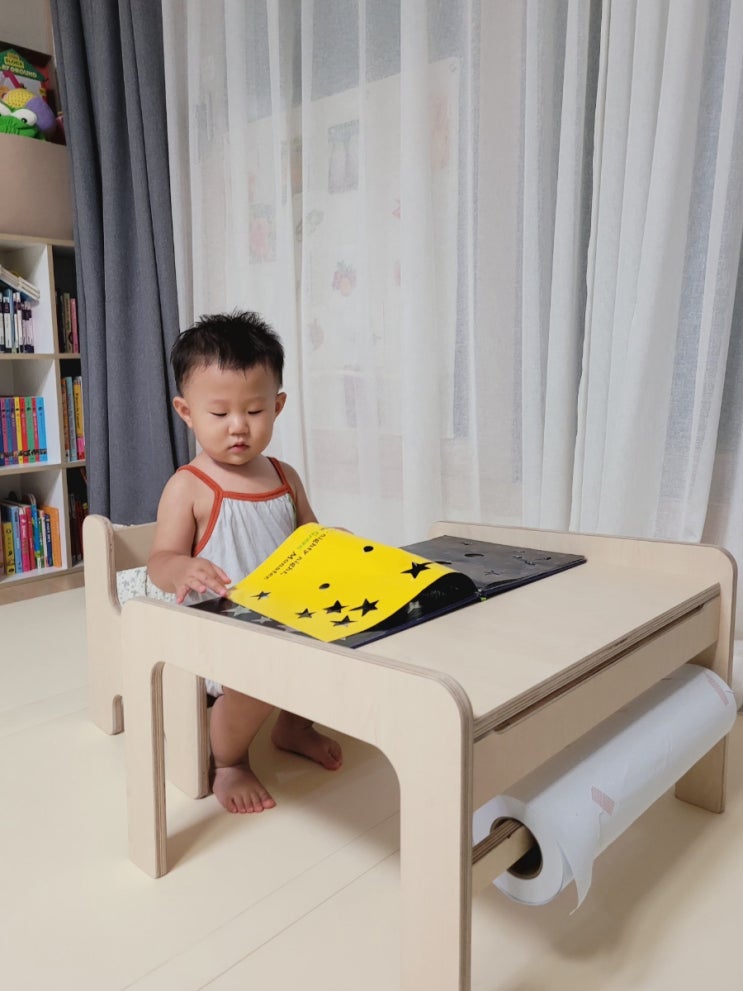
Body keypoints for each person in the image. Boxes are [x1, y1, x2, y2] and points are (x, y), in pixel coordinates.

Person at [148, 310, 343, 814]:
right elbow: (160, 562)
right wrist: (181, 567)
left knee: (333, 651)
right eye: (219, 414)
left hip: (284, 616)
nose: (239, 427)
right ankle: (230, 761)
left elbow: (309, 538)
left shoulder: (284, 475)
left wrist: (331, 544)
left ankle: (293, 726)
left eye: (255, 411)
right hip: (221, 628)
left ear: (277, 406)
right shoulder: (189, 486)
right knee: (255, 681)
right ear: (186, 412)